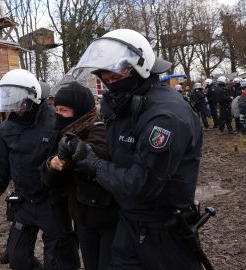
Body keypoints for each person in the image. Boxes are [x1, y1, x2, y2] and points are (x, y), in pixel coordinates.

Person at [67, 29, 204, 270]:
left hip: (164, 233)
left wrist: (94, 165)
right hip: (129, 223)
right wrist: (81, 149)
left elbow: (141, 186)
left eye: (116, 73)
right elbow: (118, 157)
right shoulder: (126, 106)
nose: (108, 77)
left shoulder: (165, 116)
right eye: (104, 74)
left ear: (140, 66)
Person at [0, 69, 79, 270]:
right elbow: (4, 168)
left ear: (33, 97)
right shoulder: (7, 130)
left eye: (21, 102)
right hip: (24, 201)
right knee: (18, 259)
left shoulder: (54, 122)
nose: (17, 108)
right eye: (13, 102)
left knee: (58, 260)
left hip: (52, 201)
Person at [42, 80, 118, 270]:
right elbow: (48, 180)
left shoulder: (99, 129)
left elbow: (100, 153)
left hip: (108, 218)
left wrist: (76, 150)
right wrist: (52, 165)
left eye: (64, 110)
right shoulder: (63, 133)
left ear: (81, 110)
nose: (58, 114)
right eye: (56, 109)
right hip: (82, 218)